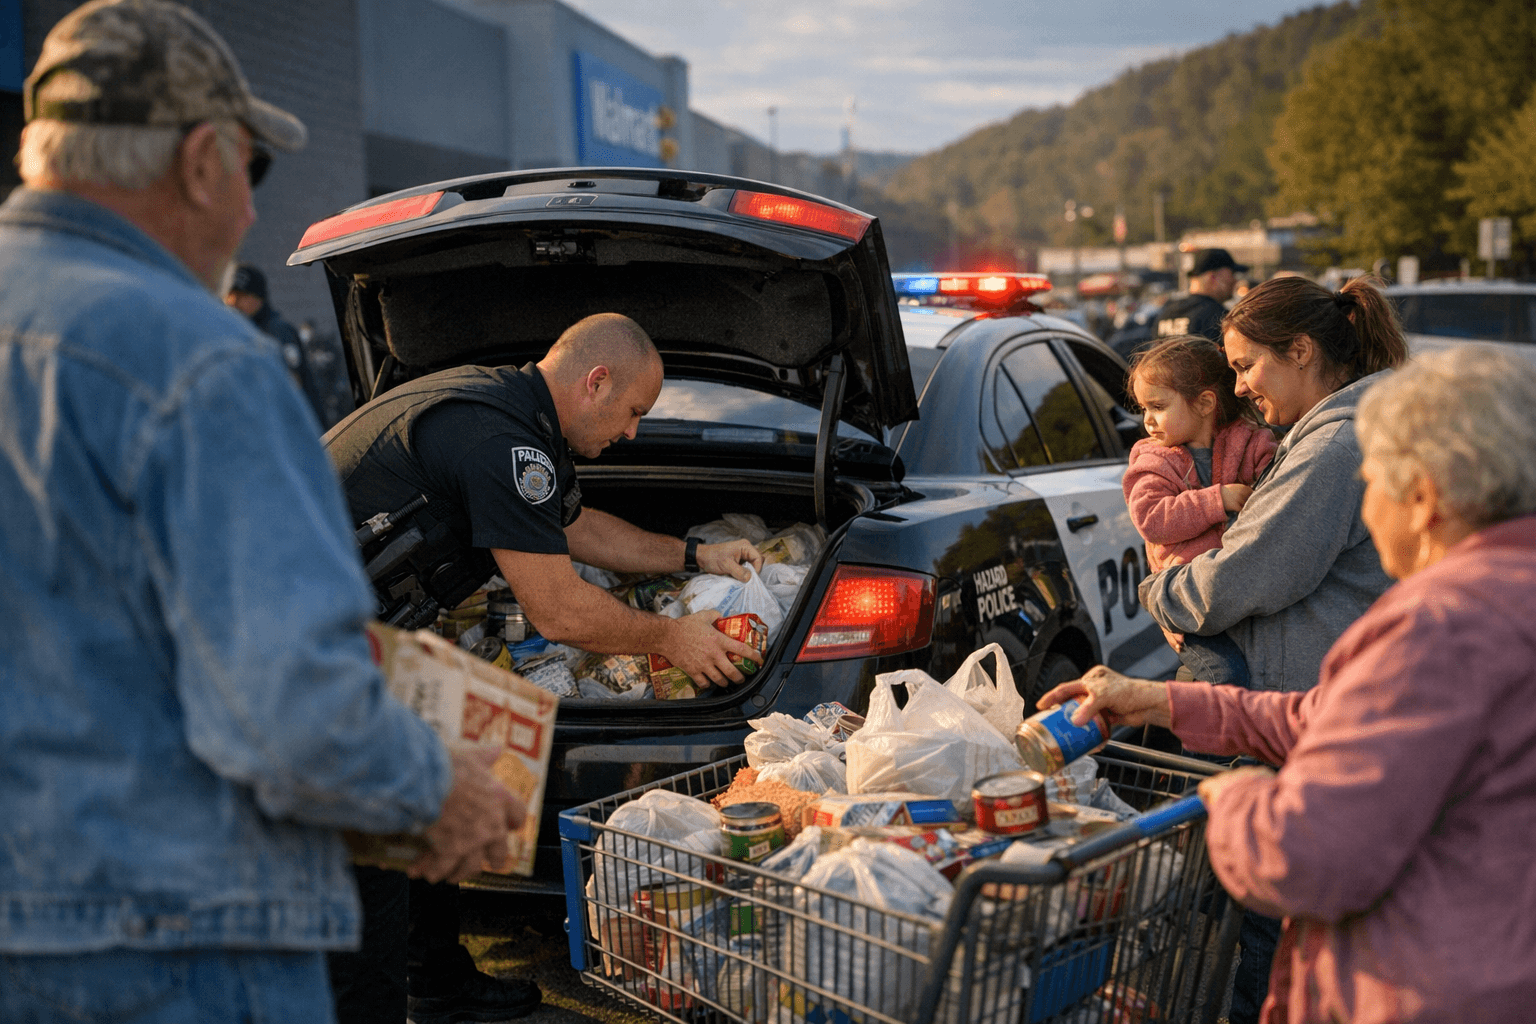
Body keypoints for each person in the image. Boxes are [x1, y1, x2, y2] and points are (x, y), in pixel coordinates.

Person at [0, 3, 521, 1022]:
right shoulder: (192, 361)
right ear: (202, 160)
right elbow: (291, 711)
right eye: (252, 170)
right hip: (172, 947)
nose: (248, 216)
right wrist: (440, 787)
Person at [1041, 344, 1536, 1023]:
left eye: (1374, 484)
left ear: (1422, 497)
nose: (1366, 513)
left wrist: (1241, 800)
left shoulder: (1442, 625)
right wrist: (1158, 698)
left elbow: (1305, 858)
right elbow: (1336, 718)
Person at [322, 311, 765, 1024]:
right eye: (632, 413)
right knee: (367, 870)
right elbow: (559, 612)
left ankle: (434, 978)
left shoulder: (510, 415)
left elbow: (573, 527)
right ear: (595, 382)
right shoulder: (500, 438)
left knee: (424, 796)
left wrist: (693, 555)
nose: (632, 434)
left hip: (354, 638)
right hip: (303, 647)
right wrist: (671, 639)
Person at [1136, 273, 1407, 1023]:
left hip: (1300, 705)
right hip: (1311, 700)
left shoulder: (1333, 444)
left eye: (1249, 365)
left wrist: (1161, 591)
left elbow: (1248, 576)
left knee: (1253, 916)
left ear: (1302, 350)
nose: (1240, 386)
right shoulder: (1334, 429)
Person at [1123, 335, 1277, 685]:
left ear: (1205, 402)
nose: (1148, 420)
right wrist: (1216, 500)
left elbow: (1277, 491)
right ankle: (1202, 740)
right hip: (1190, 603)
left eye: (1158, 407)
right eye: (1143, 408)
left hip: (1243, 592)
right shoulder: (1153, 460)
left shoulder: (1252, 442)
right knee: (1223, 678)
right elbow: (1152, 518)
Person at [224, 261, 329, 422]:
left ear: (259, 298)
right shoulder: (238, 335)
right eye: (229, 296)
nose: (233, 303)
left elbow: (291, 388)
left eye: (242, 296)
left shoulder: (277, 332)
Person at [1113, 248, 1246, 359]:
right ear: (1213, 277)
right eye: (1232, 274)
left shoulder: (1167, 312)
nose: (1235, 281)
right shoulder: (1219, 316)